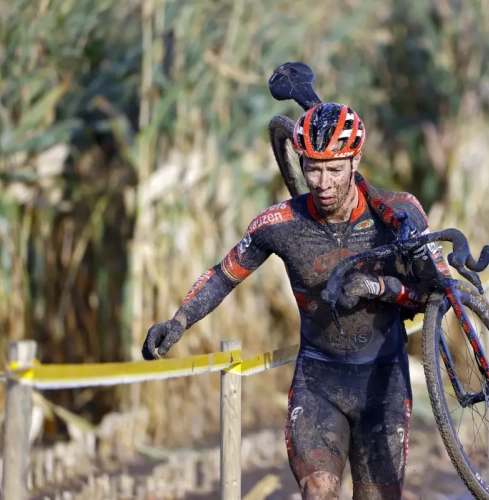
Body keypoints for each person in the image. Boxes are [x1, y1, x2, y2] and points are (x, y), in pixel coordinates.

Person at [142, 102, 448, 500]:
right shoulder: (280, 224)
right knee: (317, 491)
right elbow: (224, 274)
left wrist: (380, 288)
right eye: (312, 168)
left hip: (383, 380)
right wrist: (179, 321)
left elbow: (436, 290)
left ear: (356, 162)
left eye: (335, 169)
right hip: (318, 381)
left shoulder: (398, 213)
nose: (322, 182)